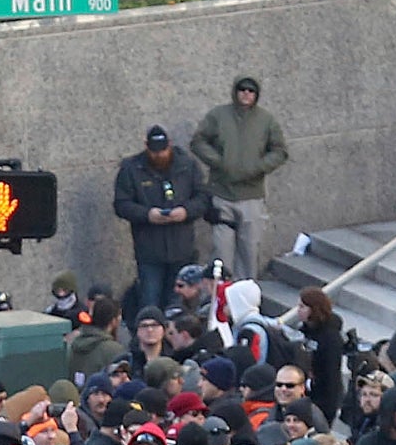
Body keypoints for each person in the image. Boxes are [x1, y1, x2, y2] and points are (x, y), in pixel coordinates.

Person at [190, 77, 290, 278]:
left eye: (251, 91)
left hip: (252, 196)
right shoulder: (218, 115)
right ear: (235, 91)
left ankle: (246, 299)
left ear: (256, 95)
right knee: (221, 253)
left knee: (249, 252)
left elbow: (280, 151)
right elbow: (198, 141)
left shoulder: (266, 120)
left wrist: (258, 167)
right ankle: (221, 298)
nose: (246, 93)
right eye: (242, 89)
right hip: (221, 195)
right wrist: (219, 162)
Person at [113, 127, 211, 328]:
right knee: (150, 304)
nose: (159, 155)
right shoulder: (132, 169)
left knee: (179, 309)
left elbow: (203, 198)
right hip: (149, 251)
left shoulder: (188, 165)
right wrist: (148, 215)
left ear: (170, 145)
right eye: (154, 151)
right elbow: (122, 204)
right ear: (146, 148)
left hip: (182, 249)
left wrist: (186, 211)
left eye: (163, 150)